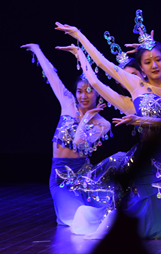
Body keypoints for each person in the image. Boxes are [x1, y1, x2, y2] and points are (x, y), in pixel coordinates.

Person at [55, 12, 161, 239]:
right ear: (141, 66)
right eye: (147, 62)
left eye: (158, 60)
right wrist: (79, 39)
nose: (154, 65)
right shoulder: (136, 85)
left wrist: (139, 120)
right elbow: (101, 67)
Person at [21, 43, 111, 226]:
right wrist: (37, 50)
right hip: (60, 175)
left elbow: (79, 142)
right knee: (76, 217)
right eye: (79, 91)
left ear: (98, 93)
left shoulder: (103, 124)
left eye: (89, 91)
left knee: (104, 212)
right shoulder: (68, 103)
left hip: (84, 175)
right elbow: (51, 75)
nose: (83, 96)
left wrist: (86, 118)